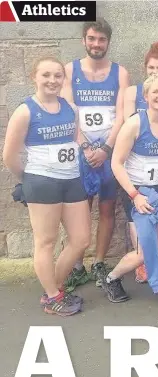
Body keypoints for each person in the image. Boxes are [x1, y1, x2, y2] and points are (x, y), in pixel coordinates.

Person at [3, 57, 91, 316]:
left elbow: (75, 136)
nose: (52, 80)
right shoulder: (26, 111)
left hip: (71, 179)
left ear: (63, 79)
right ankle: (53, 297)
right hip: (42, 182)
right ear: (34, 77)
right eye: (46, 75)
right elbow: (9, 156)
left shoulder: (71, 108)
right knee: (46, 241)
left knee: (81, 239)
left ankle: (53, 288)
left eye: (57, 76)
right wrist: (28, 179)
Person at [101, 73, 158, 309]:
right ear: (146, 97)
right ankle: (111, 278)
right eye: (155, 92)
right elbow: (116, 163)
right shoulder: (134, 123)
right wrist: (134, 195)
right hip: (136, 191)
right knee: (143, 253)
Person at [60, 18, 130, 290]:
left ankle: (99, 262)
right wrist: (87, 147)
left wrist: (107, 149)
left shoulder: (120, 72)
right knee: (80, 211)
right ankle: (76, 265)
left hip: (108, 152)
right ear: (84, 40)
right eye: (92, 39)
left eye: (101, 40)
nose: (96, 44)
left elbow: (121, 114)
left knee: (108, 209)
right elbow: (68, 111)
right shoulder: (70, 70)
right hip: (82, 152)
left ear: (108, 43)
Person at [123, 41, 158, 284]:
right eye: (151, 68)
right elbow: (118, 160)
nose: (155, 72)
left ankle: (156, 263)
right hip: (136, 183)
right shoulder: (136, 115)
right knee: (139, 227)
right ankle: (140, 265)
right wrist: (133, 193)